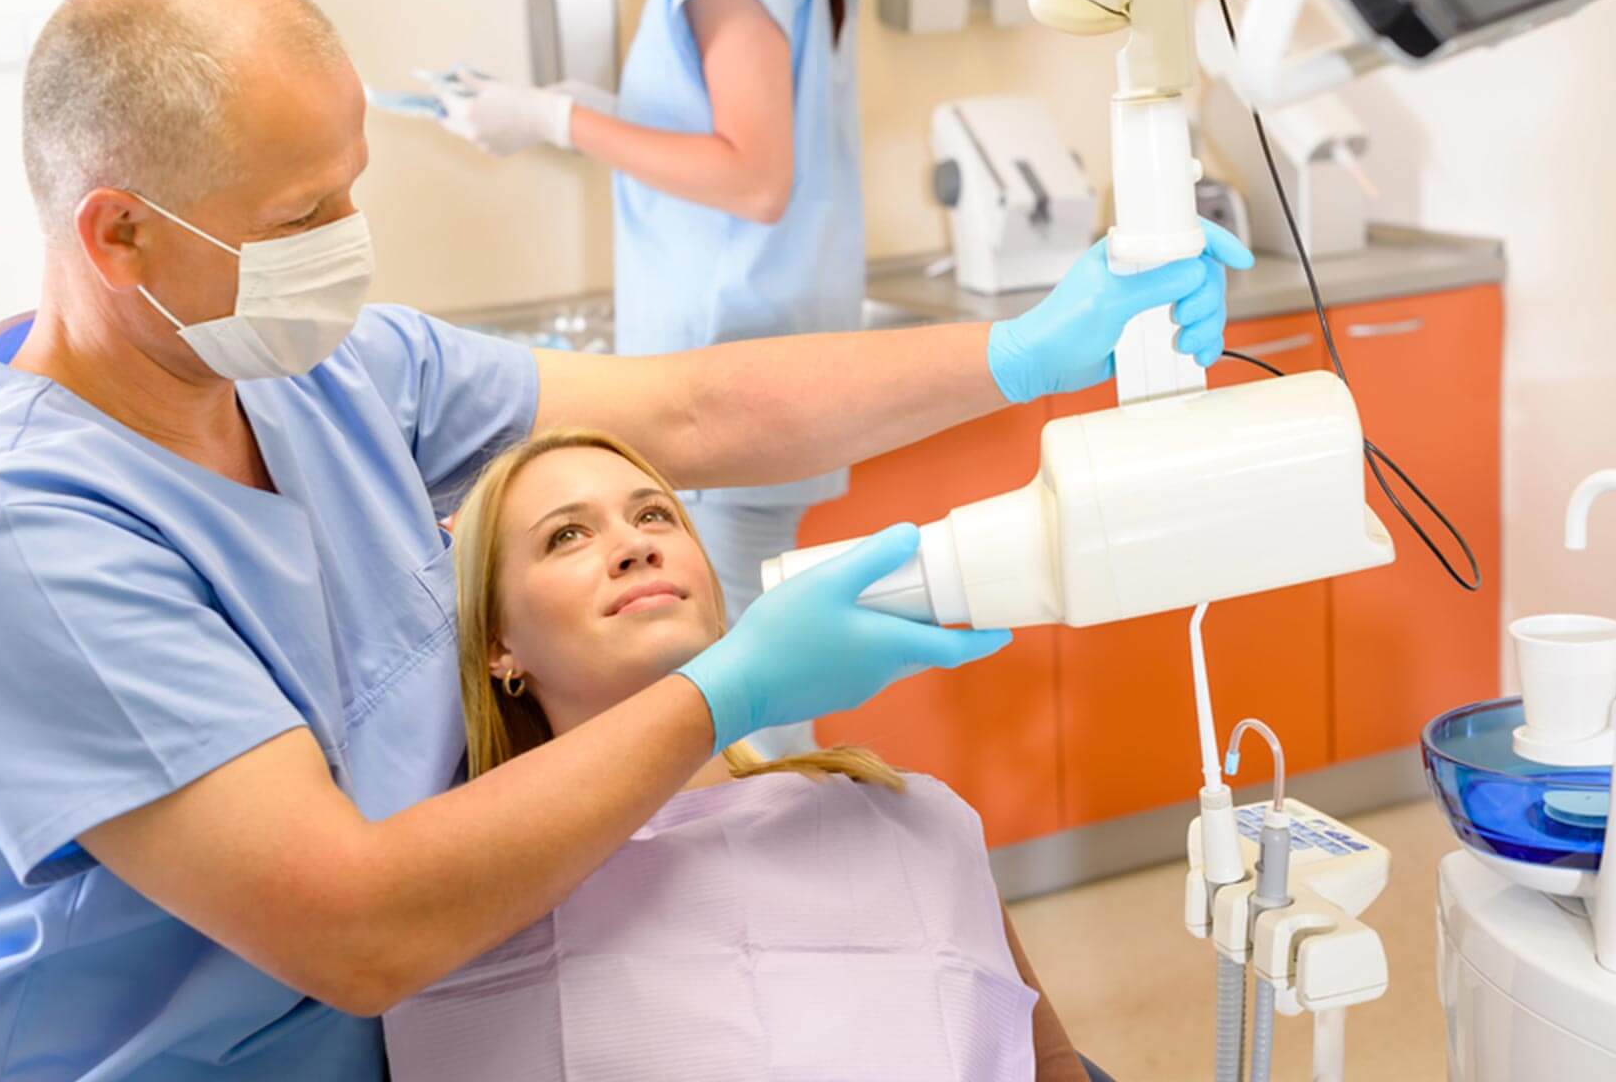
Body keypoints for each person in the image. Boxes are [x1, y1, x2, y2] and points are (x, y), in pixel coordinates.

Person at [0, 0, 1249, 1079]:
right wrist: (727, 690)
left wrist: (1027, 351)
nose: (348, 240)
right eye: (303, 215)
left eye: (353, 185)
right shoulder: (20, 542)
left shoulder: (323, 374)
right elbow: (354, 926)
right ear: (119, 235)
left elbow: (694, 413)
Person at [382, 428, 1091, 1081]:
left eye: (655, 515)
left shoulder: (905, 817)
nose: (635, 546)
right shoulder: (449, 912)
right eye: (567, 535)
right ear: (498, 643)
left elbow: (1050, 1065)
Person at [436, 0, 864, 756]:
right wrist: (589, 110)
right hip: (753, 365)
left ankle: (807, 849)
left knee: (745, 704)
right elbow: (730, 140)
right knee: (756, 685)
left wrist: (555, 121)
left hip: (727, 377)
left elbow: (752, 176)